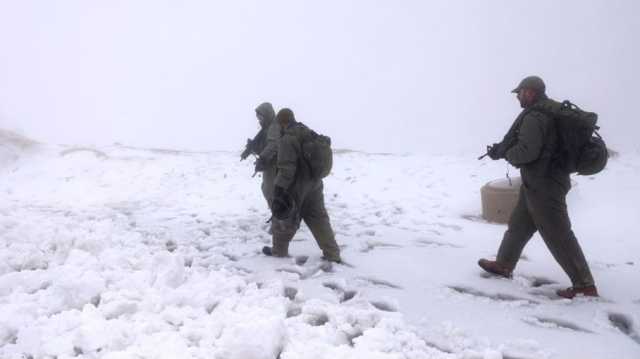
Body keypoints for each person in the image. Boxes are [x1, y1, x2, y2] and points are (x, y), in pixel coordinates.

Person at [478, 76, 598, 299]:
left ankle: (584, 285)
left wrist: (506, 153)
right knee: (519, 224)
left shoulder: (536, 116)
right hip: (539, 181)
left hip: (545, 183)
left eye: (519, 93)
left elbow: (527, 152)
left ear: (530, 92)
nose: (517, 97)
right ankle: (504, 264)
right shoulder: (548, 111)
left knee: (558, 233)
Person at [262, 108, 341, 262]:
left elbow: (287, 168)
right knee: (318, 218)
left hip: (297, 185)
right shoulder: (308, 132)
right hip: (315, 184)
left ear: (281, 123)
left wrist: (278, 189)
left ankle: (278, 251)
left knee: (285, 219)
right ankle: (332, 253)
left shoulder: (287, 139)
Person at [241, 102, 281, 208]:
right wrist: (250, 148)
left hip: (275, 163)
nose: (259, 119)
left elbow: (273, 145)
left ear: (267, 114)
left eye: (260, 116)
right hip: (270, 163)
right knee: (268, 189)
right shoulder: (267, 127)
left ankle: (279, 218)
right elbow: (262, 142)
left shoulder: (274, 126)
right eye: (258, 117)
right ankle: (279, 215)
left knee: (270, 190)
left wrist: (262, 158)